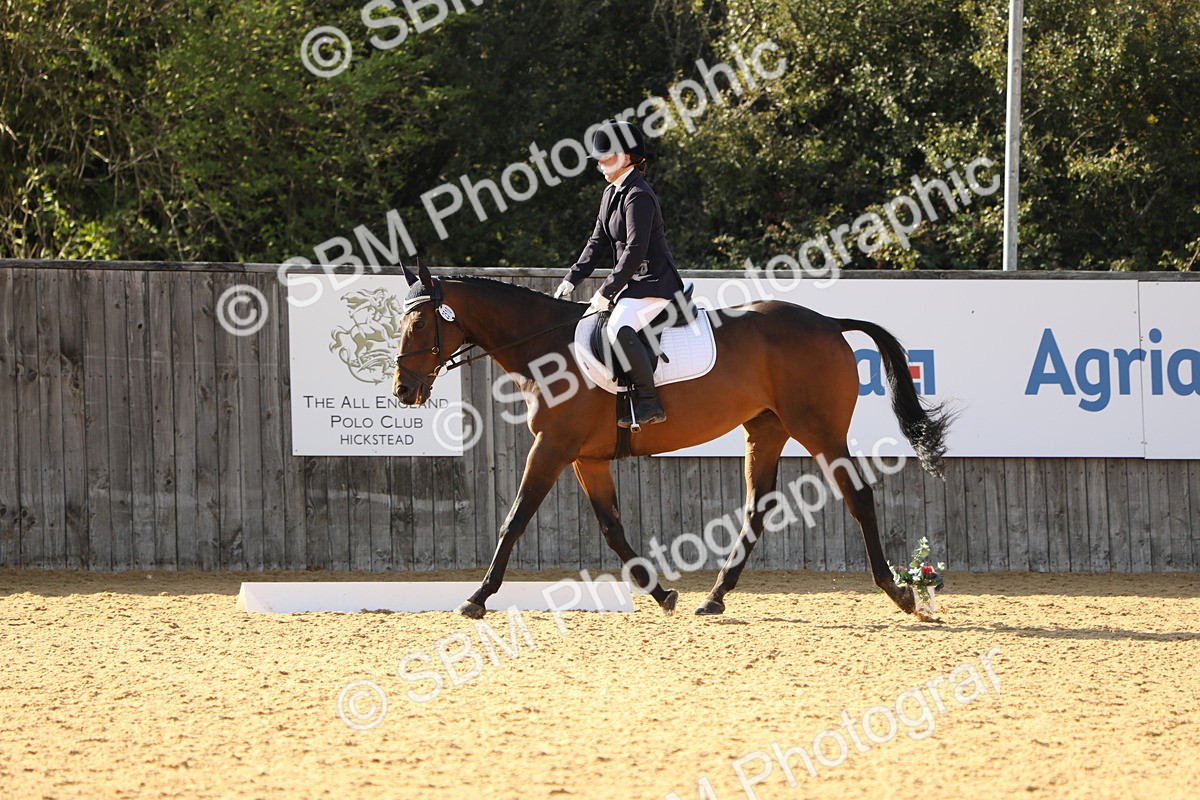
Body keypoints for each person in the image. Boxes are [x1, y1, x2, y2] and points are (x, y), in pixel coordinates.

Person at [554, 119, 685, 428]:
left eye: (606, 155)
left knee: (616, 327)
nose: (599, 161)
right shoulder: (612, 192)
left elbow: (635, 250)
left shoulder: (638, 194)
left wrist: (607, 291)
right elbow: (597, 242)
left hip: (655, 282)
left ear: (626, 157)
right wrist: (572, 278)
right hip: (635, 283)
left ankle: (650, 403)